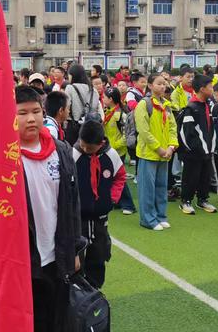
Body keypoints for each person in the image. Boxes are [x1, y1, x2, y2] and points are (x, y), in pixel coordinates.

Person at [0, 86, 82, 332]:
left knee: (56, 319)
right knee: (26, 321)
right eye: (22, 113)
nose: (31, 119)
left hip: (56, 256)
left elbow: (72, 203)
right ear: (11, 117)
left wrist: (74, 247)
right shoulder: (1, 157)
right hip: (21, 260)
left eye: (36, 111)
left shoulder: (60, 150)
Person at [73, 120, 126, 288]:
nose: (86, 149)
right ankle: (77, 292)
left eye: (91, 148)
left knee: (99, 254)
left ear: (101, 142)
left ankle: (95, 290)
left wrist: (111, 199)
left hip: (101, 217)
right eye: (83, 145)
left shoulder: (111, 156)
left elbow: (120, 177)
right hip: (78, 218)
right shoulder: (72, 155)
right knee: (76, 257)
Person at [135, 74, 178, 230]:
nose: (162, 86)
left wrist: (171, 147)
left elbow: (173, 127)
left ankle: (161, 215)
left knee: (161, 187)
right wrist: (159, 148)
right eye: (159, 83)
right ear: (150, 86)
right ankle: (148, 219)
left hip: (164, 154)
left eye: (164, 83)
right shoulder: (144, 104)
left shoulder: (166, 105)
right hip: (149, 153)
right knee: (147, 188)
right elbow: (143, 131)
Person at [178, 74, 217, 214]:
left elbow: (210, 128)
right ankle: (185, 201)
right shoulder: (191, 107)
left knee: (204, 176)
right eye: (210, 87)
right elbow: (186, 133)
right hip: (193, 153)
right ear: (202, 89)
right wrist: (195, 148)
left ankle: (203, 199)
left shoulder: (207, 105)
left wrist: (210, 147)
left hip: (207, 150)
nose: (212, 89)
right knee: (190, 177)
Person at [103, 87, 136, 215]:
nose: (103, 99)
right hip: (109, 149)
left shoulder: (121, 115)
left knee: (118, 177)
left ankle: (129, 205)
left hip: (118, 151)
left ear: (110, 99)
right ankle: (117, 201)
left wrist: (114, 145)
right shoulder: (107, 112)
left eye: (105, 97)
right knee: (111, 177)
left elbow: (125, 135)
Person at [64, 64, 104, 145]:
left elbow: (66, 106)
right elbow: (96, 107)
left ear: (72, 75)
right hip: (91, 126)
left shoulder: (70, 88)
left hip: (74, 127)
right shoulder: (93, 90)